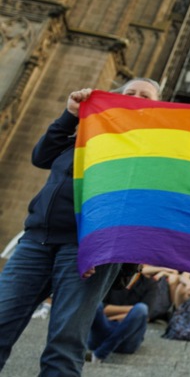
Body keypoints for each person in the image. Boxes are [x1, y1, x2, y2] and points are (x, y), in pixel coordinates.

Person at [0, 78, 161, 376]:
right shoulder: (88, 132)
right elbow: (41, 157)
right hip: (38, 241)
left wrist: (98, 247)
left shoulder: (149, 152)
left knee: (65, 343)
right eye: (129, 93)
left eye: (145, 96)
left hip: (86, 250)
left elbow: (134, 208)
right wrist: (70, 114)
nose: (135, 97)